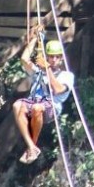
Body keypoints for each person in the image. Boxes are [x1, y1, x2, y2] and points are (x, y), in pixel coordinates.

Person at [12, 33, 74, 164]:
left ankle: (33, 145)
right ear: (47, 57)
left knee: (37, 107)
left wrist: (47, 69)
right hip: (35, 101)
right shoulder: (39, 71)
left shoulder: (67, 76)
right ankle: (31, 146)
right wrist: (35, 38)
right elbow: (24, 59)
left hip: (52, 106)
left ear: (61, 58)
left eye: (57, 57)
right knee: (17, 105)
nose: (54, 60)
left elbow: (57, 89)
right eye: (51, 56)